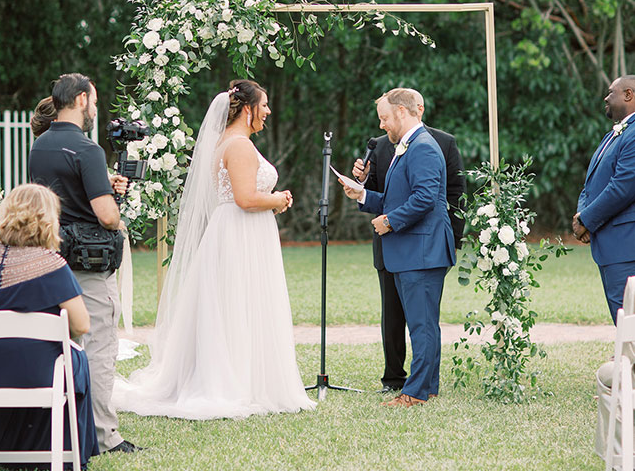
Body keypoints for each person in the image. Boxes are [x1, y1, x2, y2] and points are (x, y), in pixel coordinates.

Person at [113, 79, 316, 420]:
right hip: (239, 234)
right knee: (236, 303)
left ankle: (247, 377)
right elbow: (245, 198)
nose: (268, 111)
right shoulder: (237, 145)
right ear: (248, 108)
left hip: (241, 232)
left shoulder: (231, 142)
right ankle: (234, 383)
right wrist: (278, 199)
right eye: (263, 105)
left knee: (239, 304)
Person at [28, 72, 136, 454]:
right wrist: (118, 216)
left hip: (52, 258)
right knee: (100, 346)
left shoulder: (39, 146)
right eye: (93, 100)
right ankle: (104, 436)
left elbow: (60, 196)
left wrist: (102, 183)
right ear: (79, 101)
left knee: (63, 344)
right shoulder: (88, 149)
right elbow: (106, 215)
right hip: (90, 263)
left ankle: (67, 426)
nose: (95, 109)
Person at [341, 87, 455, 407]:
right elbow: (398, 197)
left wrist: (389, 221)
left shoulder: (423, 148)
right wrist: (362, 196)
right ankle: (428, 386)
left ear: (402, 113)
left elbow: (425, 198)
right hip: (414, 250)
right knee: (424, 323)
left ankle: (415, 392)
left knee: (421, 325)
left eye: (385, 118)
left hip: (422, 250)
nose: (382, 125)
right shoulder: (406, 147)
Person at [0, 183, 99, 467]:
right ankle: (67, 451)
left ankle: (1, 447)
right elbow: (82, 325)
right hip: (41, 374)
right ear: (48, 219)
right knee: (77, 359)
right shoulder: (51, 265)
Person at [574, 75, 635, 323]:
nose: (606, 98)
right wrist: (581, 216)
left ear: (629, 95)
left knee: (629, 316)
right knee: (622, 315)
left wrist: (587, 219)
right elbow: (592, 183)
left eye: (611, 92)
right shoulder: (615, 134)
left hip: (626, 245)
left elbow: (623, 187)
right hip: (610, 243)